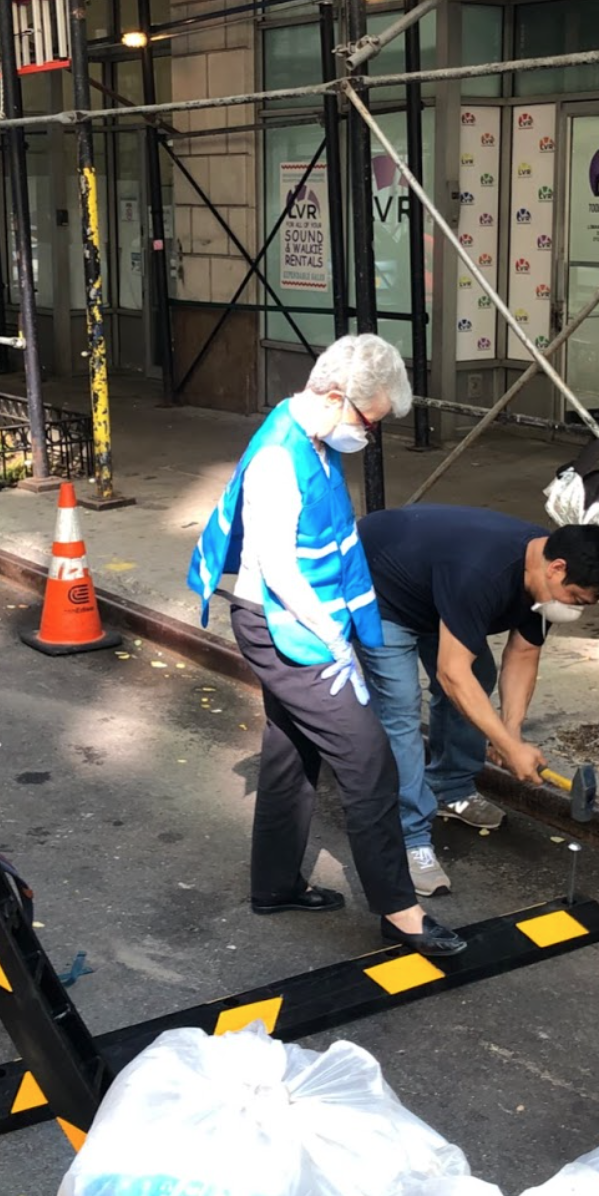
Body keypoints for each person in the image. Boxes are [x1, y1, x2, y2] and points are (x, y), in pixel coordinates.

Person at [187, 334, 465, 958]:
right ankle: (401, 915)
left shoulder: (310, 436)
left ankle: (276, 884)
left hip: (289, 619)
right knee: (369, 762)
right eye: (371, 420)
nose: (370, 433)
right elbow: (281, 569)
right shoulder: (280, 459)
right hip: (283, 624)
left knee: (290, 751)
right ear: (339, 397)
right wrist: (335, 642)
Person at [355, 505, 599, 896]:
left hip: (436, 591)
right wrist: (502, 743)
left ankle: (451, 787)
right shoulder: (483, 572)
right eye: (576, 599)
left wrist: (510, 734)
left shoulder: (544, 575)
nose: (573, 610)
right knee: (400, 706)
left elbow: (522, 654)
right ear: (557, 569)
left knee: (479, 677)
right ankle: (408, 836)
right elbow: (452, 673)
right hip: (381, 588)